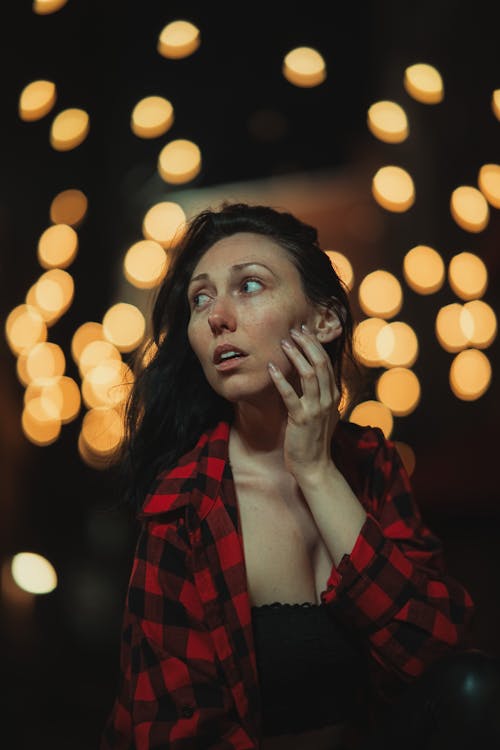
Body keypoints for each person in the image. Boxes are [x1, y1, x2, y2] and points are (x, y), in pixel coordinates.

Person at [100, 202, 497, 750]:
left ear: (324, 320)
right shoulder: (184, 507)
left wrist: (317, 473)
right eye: (200, 298)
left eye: (250, 286)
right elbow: (174, 733)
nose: (217, 316)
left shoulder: (371, 466)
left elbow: (438, 657)